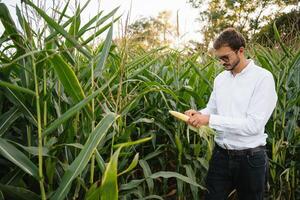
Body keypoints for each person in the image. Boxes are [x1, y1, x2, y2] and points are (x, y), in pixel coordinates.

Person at [184, 28, 277, 200]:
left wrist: (210, 119)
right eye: (219, 58)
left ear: (240, 51)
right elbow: (212, 109)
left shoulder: (263, 78)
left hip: (250, 159)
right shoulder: (220, 79)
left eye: (225, 57)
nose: (222, 62)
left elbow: (253, 125)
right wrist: (198, 114)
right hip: (221, 156)